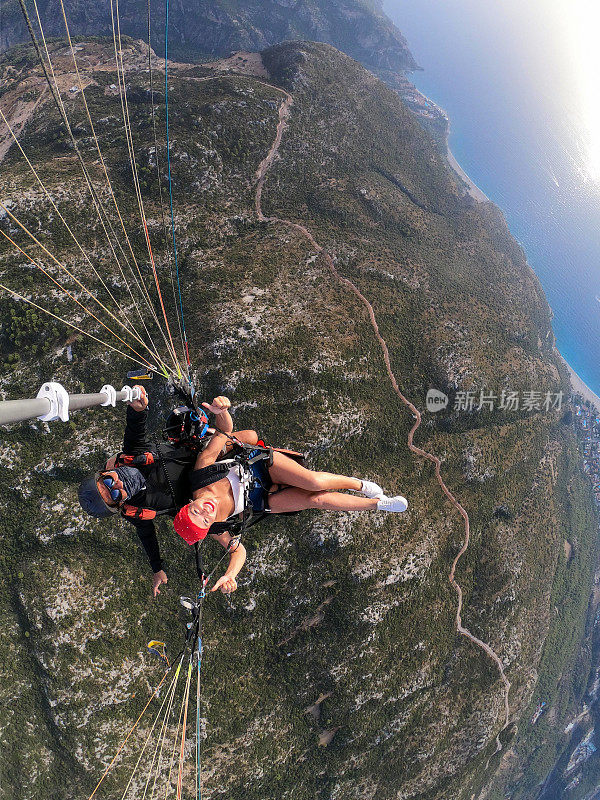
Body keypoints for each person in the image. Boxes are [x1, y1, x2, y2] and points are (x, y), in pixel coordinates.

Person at [174, 400, 408, 595]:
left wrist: (221, 411)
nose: (206, 512)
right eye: (205, 520)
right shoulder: (217, 527)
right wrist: (230, 575)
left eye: (196, 512)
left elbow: (223, 432)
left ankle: (361, 485)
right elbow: (239, 551)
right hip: (261, 499)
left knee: (313, 482)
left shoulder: (202, 475)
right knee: (315, 500)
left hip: (259, 466)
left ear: (189, 504)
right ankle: (377, 504)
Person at [77, 386, 258, 597]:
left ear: (106, 472)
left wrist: (138, 409)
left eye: (108, 482)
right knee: (234, 529)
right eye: (115, 495)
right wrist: (157, 568)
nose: (117, 486)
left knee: (250, 437)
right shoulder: (136, 508)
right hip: (200, 503)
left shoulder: (132, 457)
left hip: (202, 459)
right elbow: (146, 535)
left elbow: (134, 431)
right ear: (120, 505)